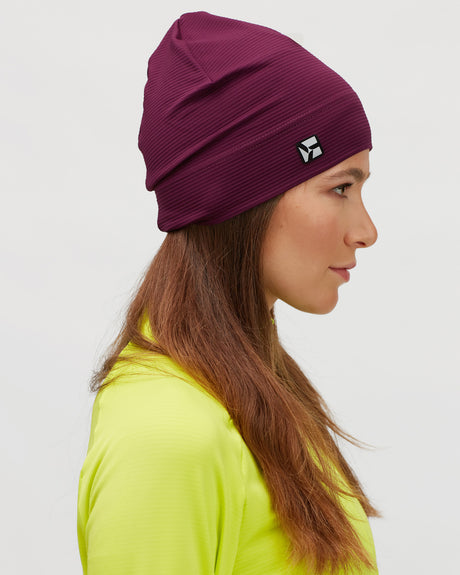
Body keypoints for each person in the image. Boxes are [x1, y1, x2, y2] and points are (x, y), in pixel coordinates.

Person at [77, 11, 380, 575]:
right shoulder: (167, 434)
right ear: (243, 198)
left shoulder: (253, 387)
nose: (366, 231)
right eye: (340, 187)